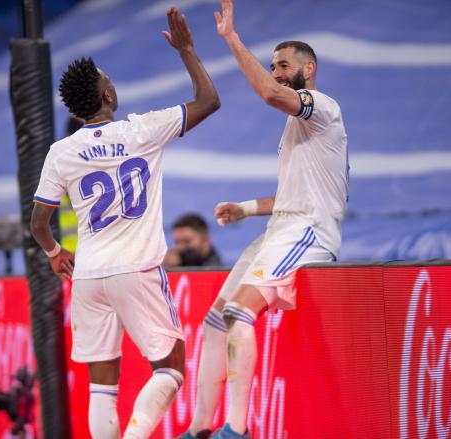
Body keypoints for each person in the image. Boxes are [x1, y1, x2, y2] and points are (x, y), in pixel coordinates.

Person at [30, 7, 220, 439]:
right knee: (170, 368)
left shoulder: (61, 151)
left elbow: (39, 222)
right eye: (110, 83)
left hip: (89, 275)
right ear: (109, 97)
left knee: (102, 387)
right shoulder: (142, 130)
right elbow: (209, 100)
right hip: (135, 267)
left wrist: (56, 253)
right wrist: (188, 50)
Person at [180, 1, 349, 438]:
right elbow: (292, 194)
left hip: (308, 232)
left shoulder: (322, 108)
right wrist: (245, 209)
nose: (275, 72)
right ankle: (200, 428)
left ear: (308, 69)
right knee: (215, 322)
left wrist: (232, 41)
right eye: (272, 65)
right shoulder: (296, 129)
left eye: (283, 65)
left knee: (238, 312)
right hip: (283, 227)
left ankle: (236, 430)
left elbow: (272, 95)